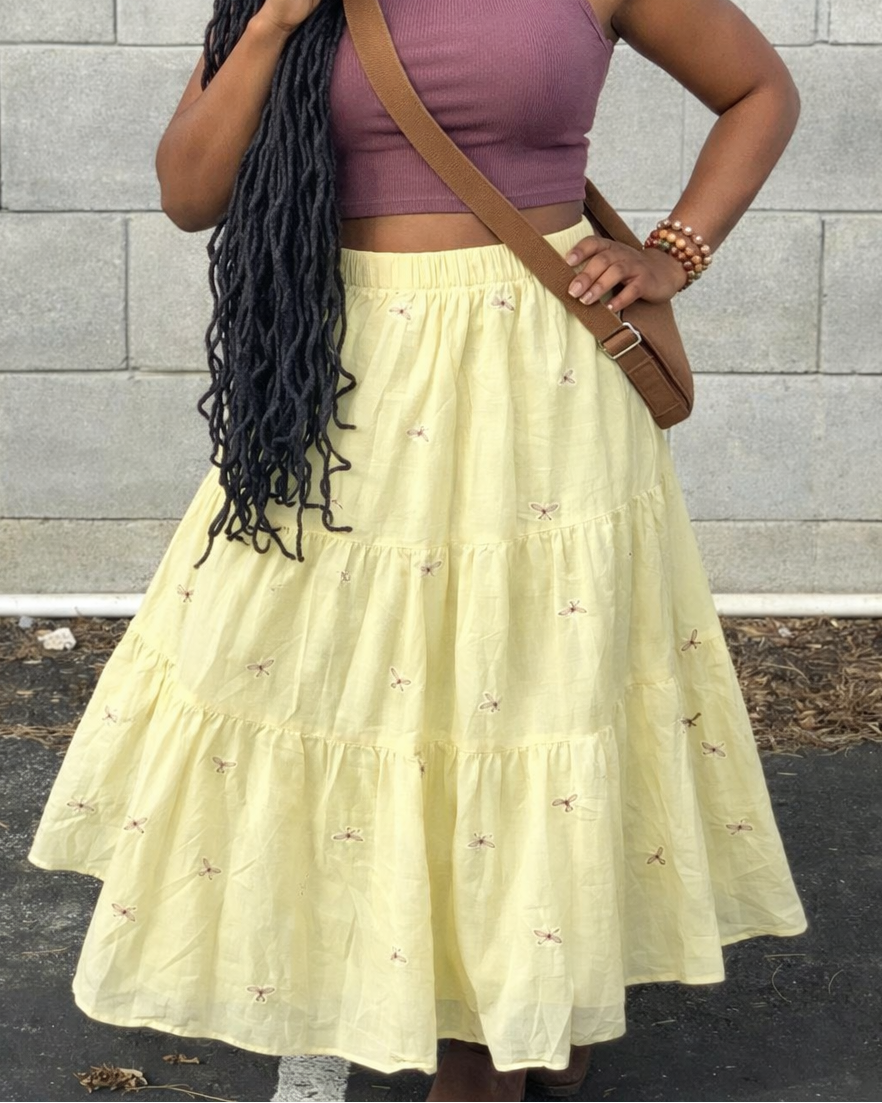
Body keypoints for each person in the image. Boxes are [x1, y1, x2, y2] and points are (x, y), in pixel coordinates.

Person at [29, 2, 807, 1101]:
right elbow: (189, 194)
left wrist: (675, 250)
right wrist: (269, 29)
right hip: (339, 371)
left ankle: (502, 1030)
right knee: (321, 673)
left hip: (539, 368)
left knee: (526, 686)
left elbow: (760, 92)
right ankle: (453, 975)